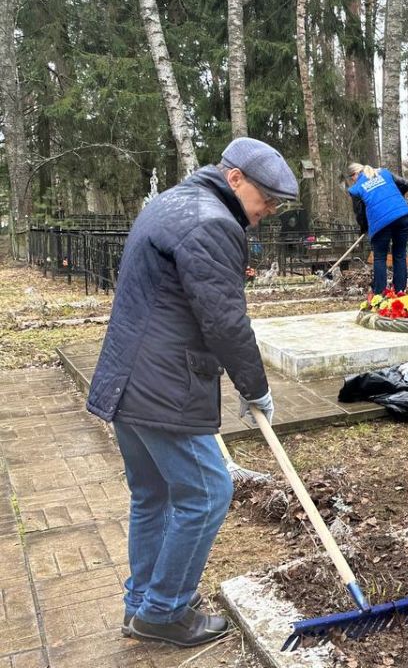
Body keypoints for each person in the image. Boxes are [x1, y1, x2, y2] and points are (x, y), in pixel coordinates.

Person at [86, 137, 297, 647]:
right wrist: (256, 388)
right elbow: (225, 320)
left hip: (128, 378)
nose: (267, 211)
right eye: (265, 199)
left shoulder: (173, 203)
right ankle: (163, 612)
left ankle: (144, 601)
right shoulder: (213, 223)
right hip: (163, 385)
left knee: (154, 493)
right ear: (235, 179)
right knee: (207, 493)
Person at [346, 162, 408, 295]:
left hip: (381, 222)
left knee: (379, 257)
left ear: (355, 174)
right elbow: (406, 184)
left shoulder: (356, 189)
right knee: (399, 254)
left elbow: (360, 214)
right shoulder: (384, 173)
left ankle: (380, 294)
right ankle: (400, 291)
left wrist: (364, 228)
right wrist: (392, 198)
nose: (352, 181)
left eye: (351, 178)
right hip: (403, 216)